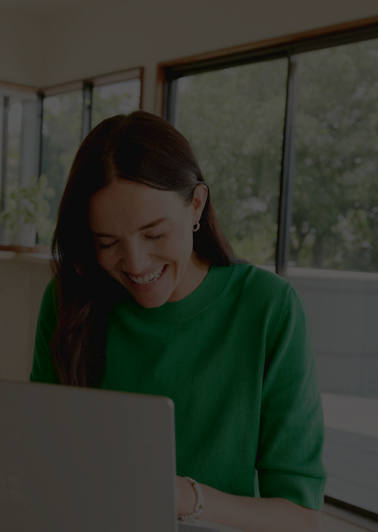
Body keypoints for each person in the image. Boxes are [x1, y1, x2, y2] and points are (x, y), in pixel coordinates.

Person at [30, 110, 326, 531]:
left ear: (196, 205)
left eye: (153, 234)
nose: (135, 263)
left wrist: (184, 497)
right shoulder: (70, 303)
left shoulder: (267, 308)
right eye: (107, 242)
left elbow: (301, 518)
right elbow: (39, 464)